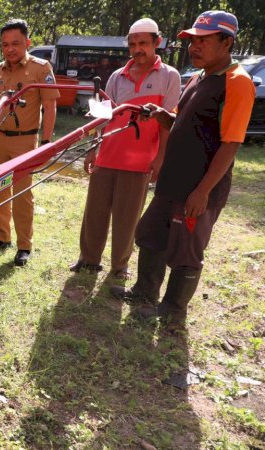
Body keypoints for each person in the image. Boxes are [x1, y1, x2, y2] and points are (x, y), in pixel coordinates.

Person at [111, 10, 255, 332]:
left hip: (198, 188)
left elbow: (230, 144)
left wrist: (203, 191)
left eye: (202, 41)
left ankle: (173, 313)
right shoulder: (198, 78)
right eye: (192, 41)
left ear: (226, 42)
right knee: (150, 235)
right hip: (172, 182)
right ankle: (145, 293)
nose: (194, 47)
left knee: (186, 250)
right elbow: (178, 121)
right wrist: (160, 115)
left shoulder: (237, 83)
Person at [70, 18, 181, 279]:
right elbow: (102, 115)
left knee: (127, 218)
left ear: (157, 42)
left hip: (140, 160)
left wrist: (160, 158)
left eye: (143, 43)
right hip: (107, 154)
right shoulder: (117, 76)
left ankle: (119, 267)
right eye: (132, 44)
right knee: (95, 213)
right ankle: (88, 259)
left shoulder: (169, 76)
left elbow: (169, 123)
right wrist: (92, 149)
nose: (137, 49)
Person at [0, 19, 59, 267]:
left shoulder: (40, 68)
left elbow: (50, 105)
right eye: (5, 45)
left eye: (15, 43)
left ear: (27, 43)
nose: (10, 49)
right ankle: (2, 238)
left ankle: (24, 245)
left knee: (22, 195)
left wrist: (46, 142)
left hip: (25, 139)